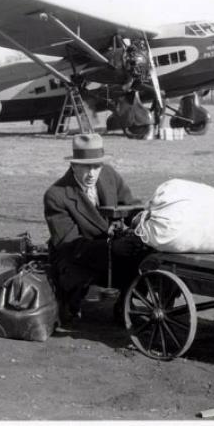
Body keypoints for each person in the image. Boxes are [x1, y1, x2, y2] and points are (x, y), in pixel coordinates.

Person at [43, 133, 146, 324]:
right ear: (73, 165)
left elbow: (130, 205)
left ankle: (125, 302)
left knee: (145, 256)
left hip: (111, 246)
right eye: (85, 167)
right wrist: (111, 248)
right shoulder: (56, 195)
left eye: (96, 166)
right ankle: (71, 303)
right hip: (76, 256)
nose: (91, 173)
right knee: (77, 278)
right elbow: (69, 245)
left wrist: (144, 221)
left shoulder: (109, 175)